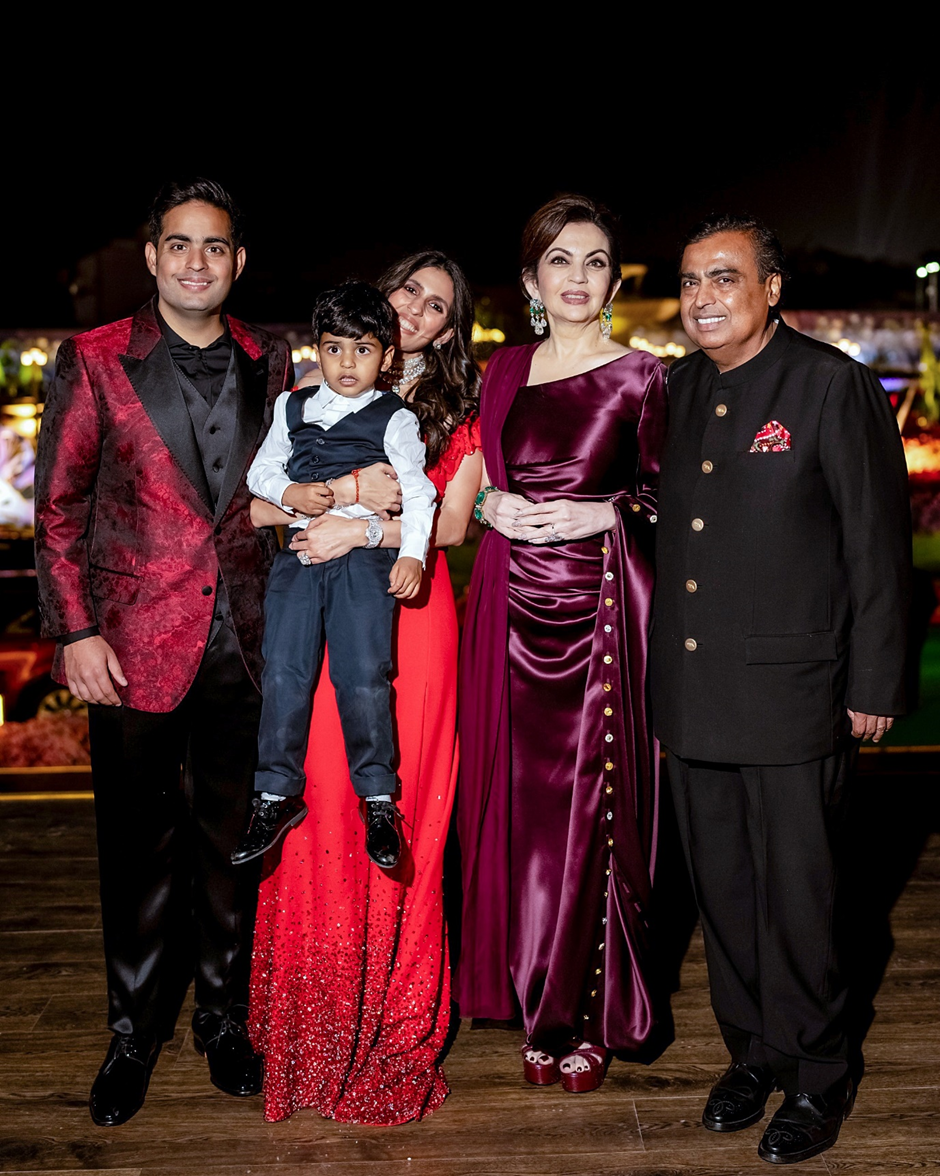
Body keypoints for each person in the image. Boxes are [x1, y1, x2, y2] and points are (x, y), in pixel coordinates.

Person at [650, 215, 911, 1165]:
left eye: (724, 277)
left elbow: (876, 548)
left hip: (795, 694)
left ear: (772, 289)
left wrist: (874, 679)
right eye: (690, 281)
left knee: (800, 902)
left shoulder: (830, 385)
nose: (704, 297)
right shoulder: (674, 390)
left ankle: (818, 1071)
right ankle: (754, 1053)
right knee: (723, 895)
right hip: (692, 691)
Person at [34, 179, 293, 1125]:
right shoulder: (95, 360)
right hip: (133, 644)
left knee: (234, 847)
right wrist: (75, 630)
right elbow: (57, 508)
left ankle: (222, 1021)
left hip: (249, 645)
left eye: (215, 247)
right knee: (136, 852)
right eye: (179, 246)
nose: (196, 262)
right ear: (151, 258)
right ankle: (134, 1032)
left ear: (236, 260)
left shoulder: (274, 359)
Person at [248, 251, 482, 1124]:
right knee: (321, 806)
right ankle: (310, 1032)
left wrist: (357, 531)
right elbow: (264, 509)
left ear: (450, 326)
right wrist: (346, 496)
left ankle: (390, 1032)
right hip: (323, 606)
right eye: (408, 291)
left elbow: (450, 524)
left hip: (410, 612)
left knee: (399, 809)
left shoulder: (458, 406)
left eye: (438, 304)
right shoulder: (310, 399)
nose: (418, 309)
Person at [456, 195, 667, 1093]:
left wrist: (605, 511)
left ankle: (583, 1013)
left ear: (612, 281)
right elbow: (467, 488)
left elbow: (674, 506)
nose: (577, 276)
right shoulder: (500, 371)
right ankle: (528, 993)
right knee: (522, 819)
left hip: (600, 627)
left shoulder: (646, 377)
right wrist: (487, 511)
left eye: (594, 261)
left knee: (590, 818)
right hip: (507, 617)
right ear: (533, 280)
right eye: (560, 261)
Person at [233, 282, 435, 871]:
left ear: (386, 356)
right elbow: (261, 473)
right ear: (317, 350)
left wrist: (413, 556)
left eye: (363, 350)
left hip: (365, 563)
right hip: (298, 557)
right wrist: (291, 491)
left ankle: (377, 797)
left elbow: (418, 496)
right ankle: (274, 793)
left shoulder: (394, 417)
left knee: (364, 677)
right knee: (284, 674)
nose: (348, 363)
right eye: (335, 349)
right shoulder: (290, 406)